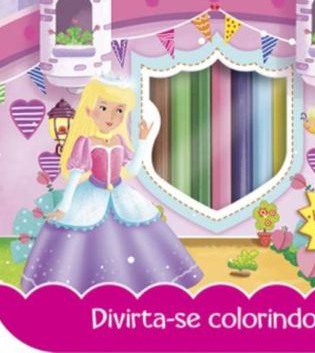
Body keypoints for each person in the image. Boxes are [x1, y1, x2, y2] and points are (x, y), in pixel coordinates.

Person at [21, 77, 203, 293]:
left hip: (121, 193)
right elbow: (75, 175)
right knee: (86, 242)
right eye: (104, 107)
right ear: (89, 110)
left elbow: (132, 170)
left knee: (137, 232)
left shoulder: (119, 141)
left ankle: (139, 285)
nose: (111, 117)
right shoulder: (86, 142)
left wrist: (143, 141)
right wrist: (64, 206)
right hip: (90, 195)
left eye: (119, 110)